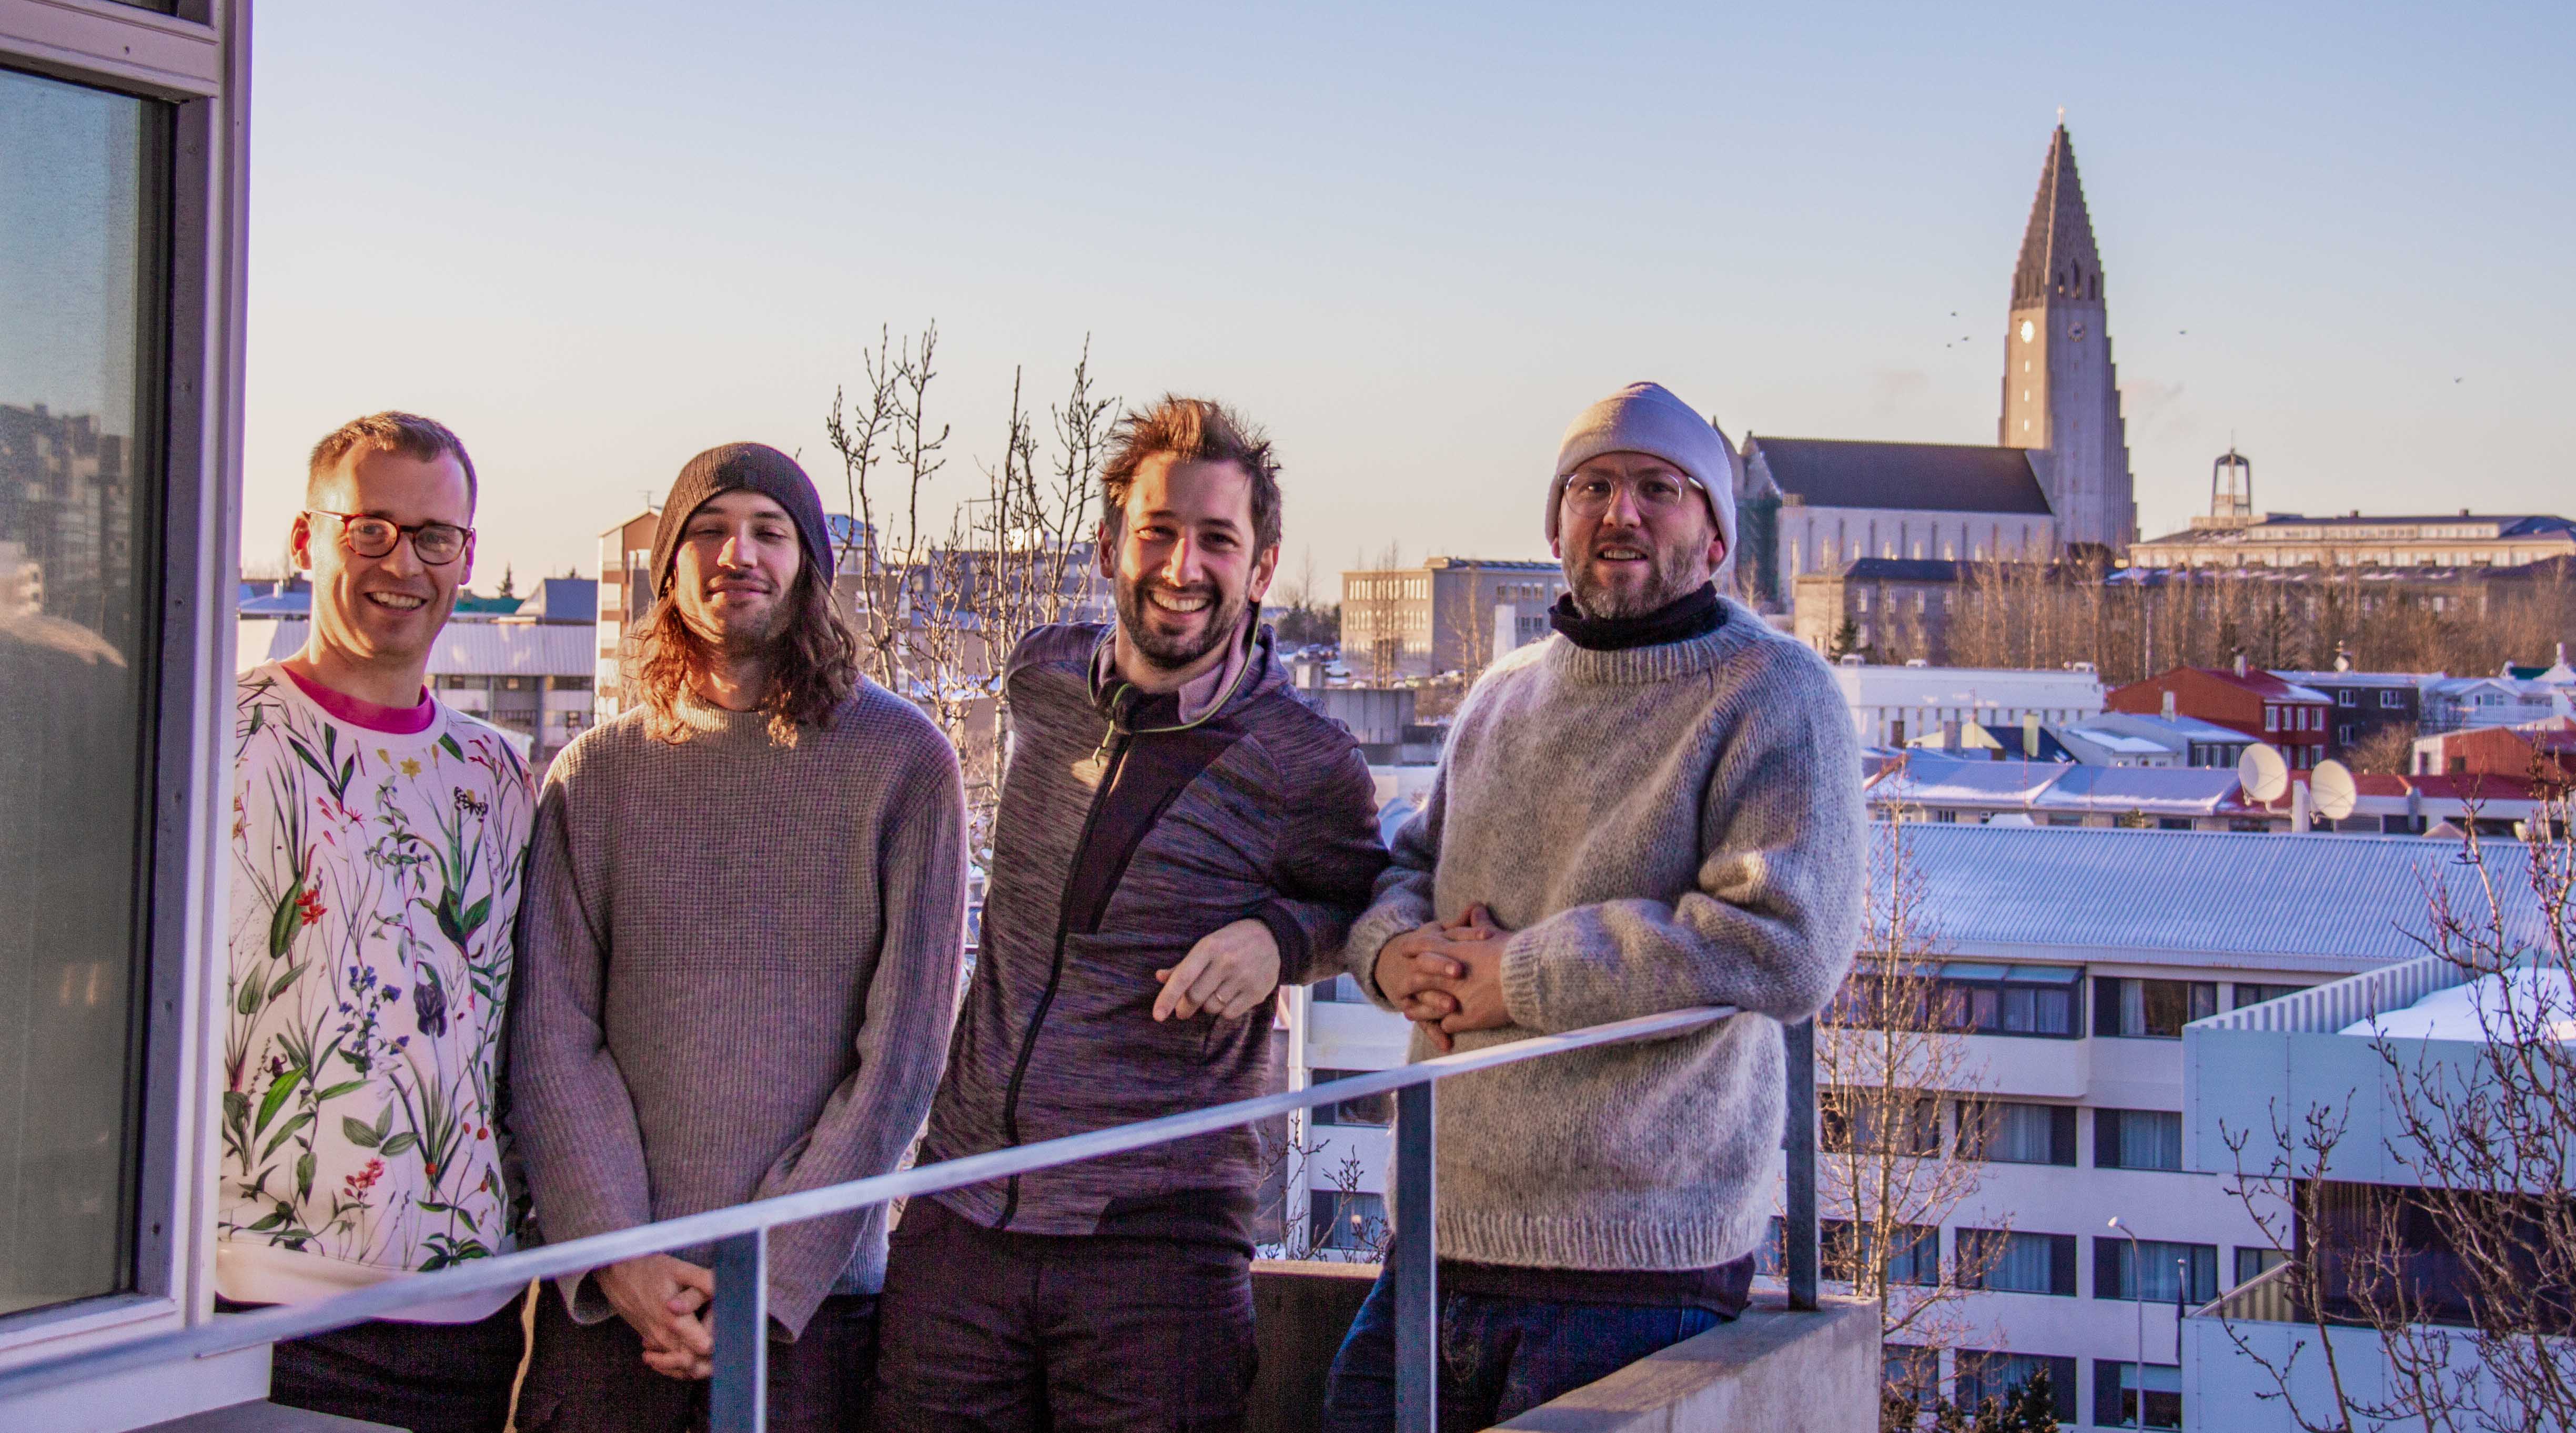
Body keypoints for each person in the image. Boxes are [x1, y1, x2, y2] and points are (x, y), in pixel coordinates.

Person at [1320, 381, 1867, 1433]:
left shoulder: (1774, 692)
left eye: (1660, 488)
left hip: (1635, 1272)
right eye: (1593, 486)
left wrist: (1515, 975)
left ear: (1714, 535)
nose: (1621, 512)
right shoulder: (1501, 692)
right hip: (1436, 1242)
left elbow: (1783, 942)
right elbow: (1411, 868)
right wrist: (1400, 959)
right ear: (1557, 523)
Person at [874, 397, 1387, 1433]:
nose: (1182, 565)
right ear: (1112, 543)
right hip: (964, 1212)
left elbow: (1369, 904)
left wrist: (1280, 938)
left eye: (1217, 539)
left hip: (1153, 1249)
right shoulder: (1040, 677)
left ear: (1263, 563)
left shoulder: (1305, 761)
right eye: (1158, 531)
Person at [509, 442, 968, 1433]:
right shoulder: (595, 777)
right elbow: (552, 1038)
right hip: (613, 1310)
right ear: (668, 568)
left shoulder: (907, 766)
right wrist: (622, 1259)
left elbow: (902, 1056)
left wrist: (767, 1272)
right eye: (708, 531)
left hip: (808, 1311)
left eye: (769, 530)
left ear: (810, 566)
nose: (737, 553)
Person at [216, 412, 535, 1433]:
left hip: (464, 1316)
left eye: (434, 535)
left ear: (466, 556)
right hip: (253, 1303)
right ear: (309, 540)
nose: (404, 562)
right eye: (371, 528)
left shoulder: (500, 774)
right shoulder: (214, 738)